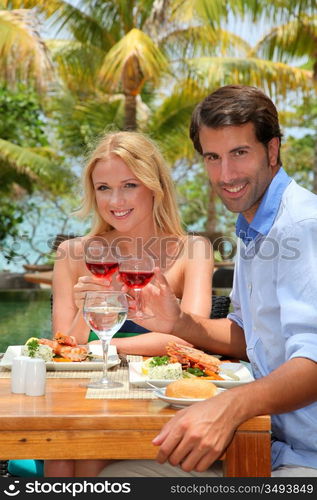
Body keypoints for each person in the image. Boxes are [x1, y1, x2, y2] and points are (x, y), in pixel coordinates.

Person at [97, 85, 317, 478]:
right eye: (213, 158)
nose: (226, 175)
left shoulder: (300, 226)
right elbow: (247, 336)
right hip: (267, 443)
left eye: (239, 154)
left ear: (272, 150)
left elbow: (313, 362)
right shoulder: (253, 223)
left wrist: (228, 407)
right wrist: (179, 323)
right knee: (110, 475)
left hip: (305, 459)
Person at [44, 130, 213, 477]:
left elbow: (191, 340)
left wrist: (106, 346)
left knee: (86, 455)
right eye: (103, 188)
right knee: (60, 453)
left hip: (156, 395)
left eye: (129, 185)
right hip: (82, 390)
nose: (115, 200)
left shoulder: (192, 251)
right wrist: (82, 309)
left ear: (154, 186)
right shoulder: (73, 253)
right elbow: (65, 347)